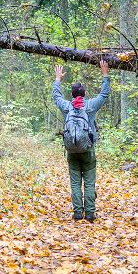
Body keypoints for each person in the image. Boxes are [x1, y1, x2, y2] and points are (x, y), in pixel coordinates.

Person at [52, 60, 111, 222]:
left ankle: (78, 213)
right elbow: (104, 94)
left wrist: (57, 79)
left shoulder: (66, 106)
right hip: (88, 150)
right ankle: (90, 214)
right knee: (90, 183)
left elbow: (56, 96)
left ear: (72, 95)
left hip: (71, 151)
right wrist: (105, 74)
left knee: (75, 183)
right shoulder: (90, 105)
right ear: (84, 94)